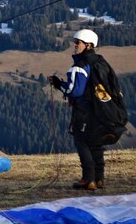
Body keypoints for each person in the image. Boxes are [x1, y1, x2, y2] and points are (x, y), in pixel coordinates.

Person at [49, 29, 121, 191]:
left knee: (82, 142)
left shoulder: (80, 65)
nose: (74, 45)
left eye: (78, 42)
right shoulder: (101, 63)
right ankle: (99, 178)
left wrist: (58, 84)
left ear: (88, 45)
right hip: (102, 110)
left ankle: (88, 179)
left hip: (85, 112)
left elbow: (74, 91)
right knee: (96, 143)